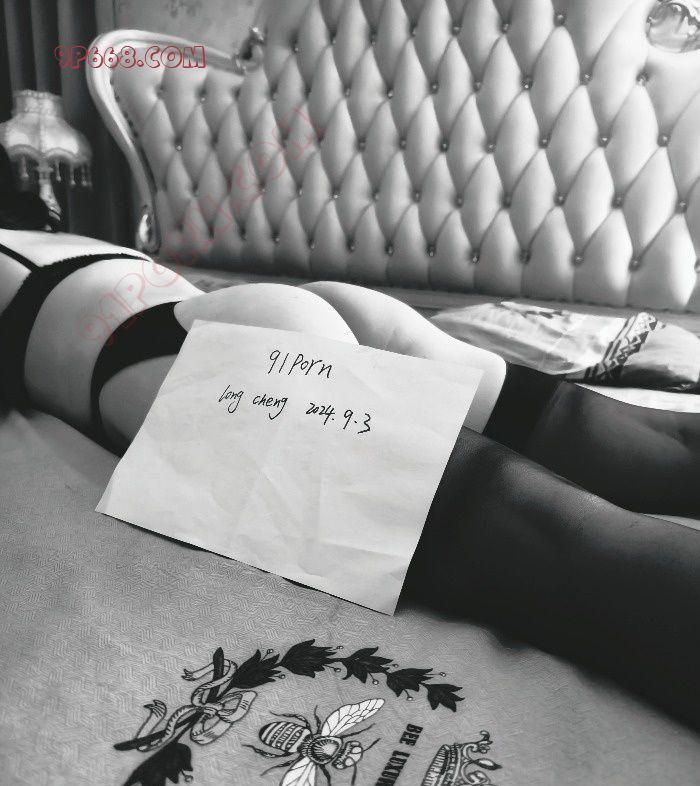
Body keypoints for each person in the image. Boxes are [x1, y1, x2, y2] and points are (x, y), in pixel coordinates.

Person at [1, 169, 699, 730]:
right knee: (648, 440)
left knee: (574, 554)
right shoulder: (50, 233)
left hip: (180, 361)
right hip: (259, 309)